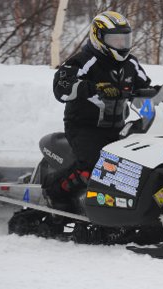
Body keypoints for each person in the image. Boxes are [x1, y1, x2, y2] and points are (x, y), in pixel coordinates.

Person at [44, 11, 152, 213]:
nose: (121, 44)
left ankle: (131, 210)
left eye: (124, 39)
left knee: (136, 166)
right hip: (84, 127)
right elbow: (62, 88)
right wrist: (93, 88)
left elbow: (145, 88)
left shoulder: (131, 64)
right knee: (93, 167)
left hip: (118, 127)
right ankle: (53, 191)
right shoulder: (83, 61)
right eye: (115, 39)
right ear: (98, 38)